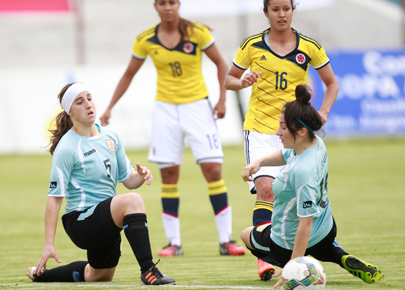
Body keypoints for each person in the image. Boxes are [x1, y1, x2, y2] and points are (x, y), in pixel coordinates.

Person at [100, 0, 245, 257]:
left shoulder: (197, 32)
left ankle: (226, 240)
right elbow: (128, 74)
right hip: (165, 110)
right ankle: (173, 243)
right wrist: (110, 106)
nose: (167, 7)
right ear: (155, 6)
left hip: (198, 107)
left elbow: (222, 64)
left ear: (179, 5)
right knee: (168, 175)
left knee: (213, 170)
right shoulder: (145, 39)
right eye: (162, 3)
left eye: (172, 2)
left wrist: (222, 99)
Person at [224, 0, 339, 280]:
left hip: (294, 132)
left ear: (292, 10)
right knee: (266, 190)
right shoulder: (252, 45)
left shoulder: (309, 46)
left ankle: (317, 247)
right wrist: (242, 82)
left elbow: (332, 83)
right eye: (275, 9)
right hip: (261, 130)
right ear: (266, 13)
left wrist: (323, 112)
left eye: (286, 8)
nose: (281, 14)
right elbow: (229, 79)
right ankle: (265, 259)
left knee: (290, 195)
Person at [26, 82, 175, 285]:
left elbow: (129, 181)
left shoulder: (110, 137)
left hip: (105, 220)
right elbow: (54, 200)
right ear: (70, 111)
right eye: (80, 102)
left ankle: (41, 275)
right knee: (133, 201)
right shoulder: (67, 148)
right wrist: (49, 245)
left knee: (98, 275)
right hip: (80, 221)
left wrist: (140, 176)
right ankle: (148, 270)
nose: (88, 104)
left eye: (89, 98)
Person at [240, 84, 385, 287]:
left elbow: (304, 225)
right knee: (318, 242)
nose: (277, 132)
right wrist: (259, 162)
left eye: (283, 127)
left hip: (289, 239)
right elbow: (286, 154)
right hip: (326, 228)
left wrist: (293, 267)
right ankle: (338, 254)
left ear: (300, 131)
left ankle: (297, 258)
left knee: (246, 234)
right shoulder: (315, 143)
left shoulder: (301, 172)